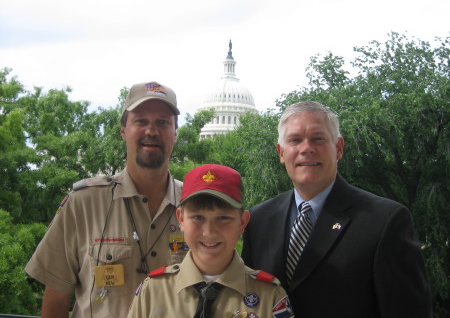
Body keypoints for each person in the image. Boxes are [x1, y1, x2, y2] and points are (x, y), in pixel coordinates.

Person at [241, 101, 433, 318]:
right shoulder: (258, 220)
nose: (306, 148)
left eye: (318, 139)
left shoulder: (384, 221)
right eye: (295, 140)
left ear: (339, 148)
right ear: (281, 152)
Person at [25, 81, 188, 318]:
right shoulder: (84, 203)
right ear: (123, 131)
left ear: (175, 134)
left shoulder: (195, 206)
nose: (151, 131)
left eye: (163, 122)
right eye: (141, 121)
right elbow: (56, 298)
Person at [127, 164, 294, 318]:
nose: (209, 232)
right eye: (198, 217)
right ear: (181, 219)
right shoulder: (153, 292)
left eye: (223, 218)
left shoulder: (270, 296)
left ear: (242, 222)